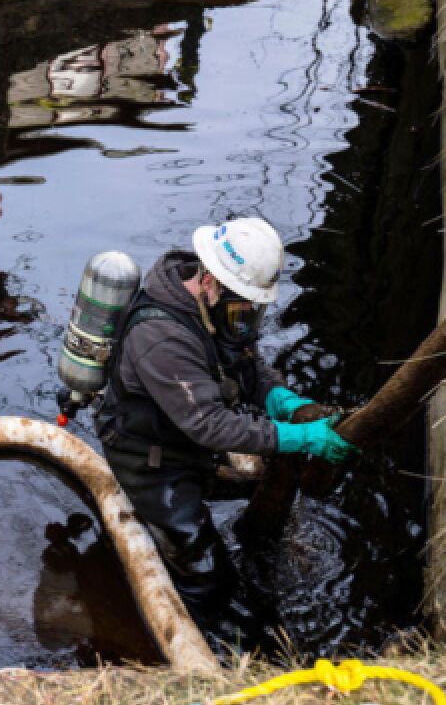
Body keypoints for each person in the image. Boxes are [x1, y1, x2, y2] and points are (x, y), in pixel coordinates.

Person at [93, 217, 354, 639]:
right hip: (148, 456)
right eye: (243, 308)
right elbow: (210, 425)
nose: (249, 319)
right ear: (210, 282)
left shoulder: (214, 311)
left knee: (254, 483)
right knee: (205, 575)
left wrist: (282, 400)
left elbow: (246, 365)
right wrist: (294, 437)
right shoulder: (161, 339)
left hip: (185, 435)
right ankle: (210, 642)